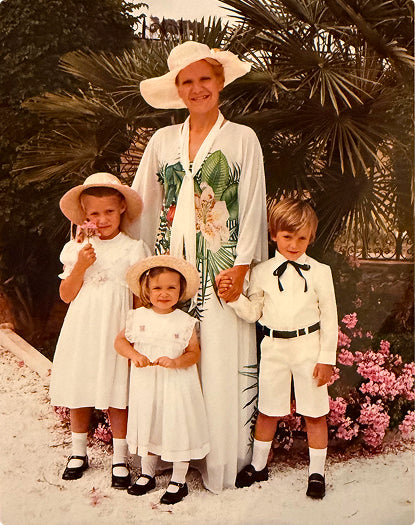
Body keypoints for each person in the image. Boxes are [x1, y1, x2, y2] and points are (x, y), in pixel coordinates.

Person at [130, 40, 268, 492]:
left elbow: (251, 207)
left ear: (220, 82)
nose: (197, 88)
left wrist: (243, 268)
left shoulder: (242, 138)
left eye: (204, 78)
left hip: (223, 267)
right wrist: (140, 268)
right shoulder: (162, 140)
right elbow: (142, 207)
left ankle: (221, 459)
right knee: (174, 361)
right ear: (177, 89)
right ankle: (171, 458)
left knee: (220, 357)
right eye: (187, 81)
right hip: (170, 272)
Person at [220, 198, 338, 499]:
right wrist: (233, 297)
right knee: (268, 410)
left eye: (302, 237)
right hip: (274, 347)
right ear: (273, 234)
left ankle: (316, 473)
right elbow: (253, 313)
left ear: (311, 237)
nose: (294, 244)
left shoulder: (320, 272)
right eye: (287, 236)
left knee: (314, 413)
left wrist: (326, 359)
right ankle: (259, 466)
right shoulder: (261, 272)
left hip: (308, 348)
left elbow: (330, 318)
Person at [49, 172, 150, 488]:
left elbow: (138, 295)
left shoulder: (134, 248)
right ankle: (78, 452)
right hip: (84, 323)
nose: (102, 219)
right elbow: (67, 295)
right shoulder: (77, 248)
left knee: (116, 389)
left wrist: (136, 330)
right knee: (81, 384)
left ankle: (120, 457)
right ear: (85, 217)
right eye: (94, 213)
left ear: (121, 207)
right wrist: (80, 265)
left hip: (116, 326)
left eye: (108, 211)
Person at [114, 254, 210, 505]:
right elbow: (120, 342)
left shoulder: (185, 322)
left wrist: (177, 362)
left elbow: (194, 353)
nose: (164, 293)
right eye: (157, 288)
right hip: (147, 385)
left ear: (180, 290)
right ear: (147, 290)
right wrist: (134, 355)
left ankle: (179, 479)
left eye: (171, 287)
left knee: (176, 426)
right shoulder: (138, 317)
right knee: (149, 423)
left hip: (175, 386)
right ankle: (148, 473)